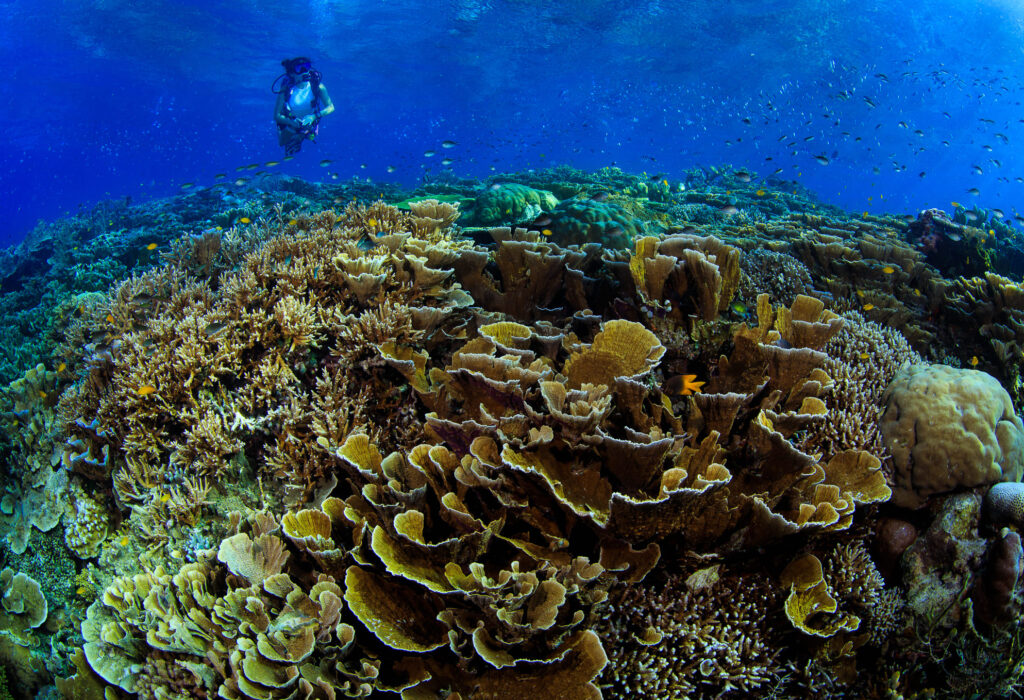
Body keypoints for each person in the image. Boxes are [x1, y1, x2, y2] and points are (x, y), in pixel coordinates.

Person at [272, 57, 335, 156]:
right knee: (282, 143)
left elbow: (331, 107)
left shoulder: (318, 87)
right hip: (290, 120)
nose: (304, 71)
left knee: (310, 136)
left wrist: (314, 116)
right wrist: (290, 122)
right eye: (299, 68)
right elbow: (277, 116)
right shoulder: (286, 90)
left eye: (307, 67)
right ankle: (297, 135)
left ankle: (300, 136)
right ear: (292, 73)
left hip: (310, 122)